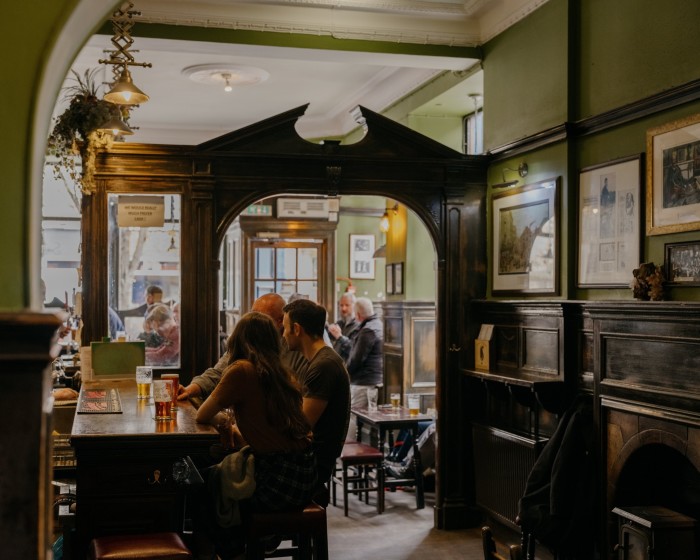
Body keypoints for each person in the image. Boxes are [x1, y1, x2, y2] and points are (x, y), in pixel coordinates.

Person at [195, 312, 316, 559]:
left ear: (238, 340)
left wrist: (224, 423)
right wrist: (232, 426)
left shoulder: (241, 370)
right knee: (218, 478)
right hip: (304, 473)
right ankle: (258, 540)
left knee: (202, 484)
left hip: (277, 478)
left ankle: (232, 550)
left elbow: (203, 415)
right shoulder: (282, 372)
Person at [178, 293, 307, 401]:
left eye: (260, 318)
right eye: (252, 315)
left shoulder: (295, 346)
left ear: (280, 321)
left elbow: (301, 392)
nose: (252, 322)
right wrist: (190, 390)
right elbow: (217, 373)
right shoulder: (246, 340)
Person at [282, 298, 351, 486]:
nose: (283, 335)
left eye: (285, 329)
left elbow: (301, 426)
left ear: (297, 329)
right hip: (306, 459)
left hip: (310, 467)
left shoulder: (324, 365)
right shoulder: (321, 360)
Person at [346, 297, 383, 436]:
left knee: (353, 418)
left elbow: (356, 360)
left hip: (363, 383)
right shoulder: (378, 324)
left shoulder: (367, 331)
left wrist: (343, 371)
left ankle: (350, 452)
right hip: (373, 381)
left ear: (358, 315)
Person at [326, 292, 359, 361]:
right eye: (341, 305)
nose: (343, 309)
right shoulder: (340, 323)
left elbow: (353, 350)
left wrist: (339, 337)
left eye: (347, 305)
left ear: (354, 306)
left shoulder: (358, 326)